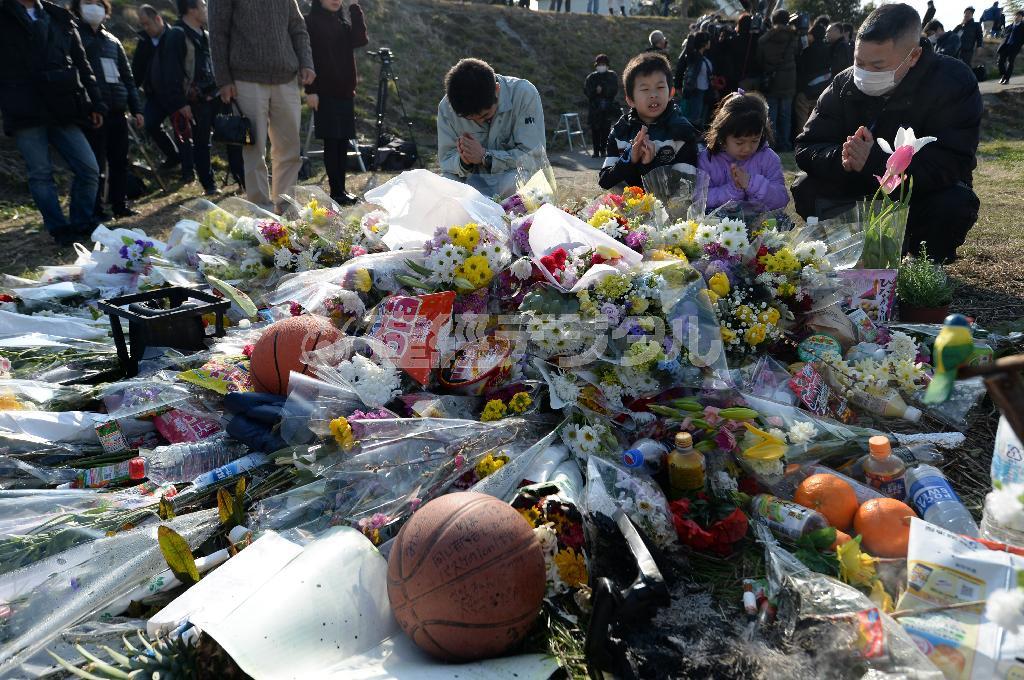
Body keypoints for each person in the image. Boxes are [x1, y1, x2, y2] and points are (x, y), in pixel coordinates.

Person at [792, 3, 982, 263]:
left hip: (915, 194)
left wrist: (878, 164)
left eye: (878, 66)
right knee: (805, 186)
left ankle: (920, 261)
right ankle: (844, 252)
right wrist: (843, 158)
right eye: (859, 62)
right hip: (857, 187)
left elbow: (953, 162)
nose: (865, 74)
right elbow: (807, 146)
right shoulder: (845, 83)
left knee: (955, 202)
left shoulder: (953, 82)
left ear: (913, 56)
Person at [0, 0, 103, 246]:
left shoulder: (59, 17)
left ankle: (82, 221)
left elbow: (81, 62)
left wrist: (96, 102)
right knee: (40, 173)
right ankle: (59, 230)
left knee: (89, 168)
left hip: (63, 106)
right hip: (24, 108)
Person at [210, 0, 315, 211]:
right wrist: (223, 78)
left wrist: (306, 61)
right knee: (253, 149)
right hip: (245, 77)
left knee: (289, 149)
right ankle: (261, 212)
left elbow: (297, 27)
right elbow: (217, 32)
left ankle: (286, 209)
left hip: (286, 76)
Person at [73, 0, 143, 220]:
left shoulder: (113, 41)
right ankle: (95, 210)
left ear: (106, 10)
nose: (94, 7)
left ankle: (120, 205)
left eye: (98, 3)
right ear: (77, 7)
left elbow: (127, 77)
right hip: (93, 113)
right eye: (87, 2)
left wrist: (136, 107)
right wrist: (88, 105)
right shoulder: (74, 37)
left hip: (118, 110)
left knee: (119, 161)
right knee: (95, 164)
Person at [437, 58, 545, 197]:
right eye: (471, 120)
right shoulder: (446, 108)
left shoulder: (523, 94)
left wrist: (485, 157)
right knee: (442, 187)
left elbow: (534, 157)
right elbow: (446, 160)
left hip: (509, 178)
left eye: (485, 115)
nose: (480, 121)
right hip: (471, 182)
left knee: (526, 186)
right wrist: (464, 161)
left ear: (496, 89)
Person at [598, 52, 698, 189]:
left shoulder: (682, 133)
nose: (653, 95)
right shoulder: (620, 132)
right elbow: (605, 182)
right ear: (630, 100)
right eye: (645, 89)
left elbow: (684, 190)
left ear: (671, 93)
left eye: (660, 87)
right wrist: (630, 158)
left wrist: (650, 165)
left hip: (667, 210)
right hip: (625, 209)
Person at [305, 0, 368, 205]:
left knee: (342, 141)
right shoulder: (310, 21)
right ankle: (336, 192)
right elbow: (308, 58)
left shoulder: (342, 23)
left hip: (345, 93)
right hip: (323, 92)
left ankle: (341, 190)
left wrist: (355, 9)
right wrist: (311, 90)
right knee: (331, 142)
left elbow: (360, 40)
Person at [160, 0, 222, 196]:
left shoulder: (206, 35)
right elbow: (171, 72)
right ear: (191, 9)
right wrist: (181, 103)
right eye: (203, 6)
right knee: (202, 142)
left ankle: (241, 177)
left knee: (233, 134)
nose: (206, 10)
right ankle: (209, 184)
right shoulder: (176, 34)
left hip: (216, 94)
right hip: (195, 100)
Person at [698, 91, 787, 212]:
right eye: (739, 143)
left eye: (754, 141)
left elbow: (781, 200)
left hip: (761, 227)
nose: (747, 149)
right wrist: (732, 190)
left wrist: (751, 182)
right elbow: (699, 199)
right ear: (722, 137)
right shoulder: (707, 159)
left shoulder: (768, 158)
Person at [133, 6, 181, 170]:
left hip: (176, 93)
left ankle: (188, 165)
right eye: (142, 25)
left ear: (158, 19)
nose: (145, 28)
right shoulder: (144, 43)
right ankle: (174, 157)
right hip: (155, 95)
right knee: (151, 124)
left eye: (147, 23)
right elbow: (137, 72)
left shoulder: (174, 36)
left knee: (181, 129)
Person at [757, 9, 798, 152]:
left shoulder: (765, 39)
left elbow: (759, 60)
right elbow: (798, 53)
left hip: (772, 81)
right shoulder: (793, 37)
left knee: (771, 114)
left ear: (773, 21)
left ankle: (771, 144)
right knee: (786, 116)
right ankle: (785, 144)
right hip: (789, 81)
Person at [795, 23, 831, 135]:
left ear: (813, 35)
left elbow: (801, 68)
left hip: (806, 90)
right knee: (815, 117)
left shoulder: (807, 51)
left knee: (802, 118)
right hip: (821, 89)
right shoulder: (829, 49)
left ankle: (802, 139)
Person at [584, 54, 619, 159]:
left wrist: (603, 89)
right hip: (594, 107)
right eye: (599, 64)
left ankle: (604, 150)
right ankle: (595, 151)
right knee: (595, 130)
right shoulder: (591, 77)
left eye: (603, 64)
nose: (601, 66)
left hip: (607, 107)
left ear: (607, 65)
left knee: (606, 130)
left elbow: (614, 90)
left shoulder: (612, 75)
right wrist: (595, 91)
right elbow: (587, 91)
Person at [676, 31, 712, 129]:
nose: (710, 43)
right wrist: (692, 35)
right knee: (693, 116)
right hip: (696, 90)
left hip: (703, 90)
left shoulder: (703, 56)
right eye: (708, 41)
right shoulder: (694, 57)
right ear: (704, 43)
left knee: (698, 115)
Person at [998, 10, 1024, 83]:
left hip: (1015, 47)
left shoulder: (1023, 26)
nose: (1016, 17)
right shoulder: (1009, 26)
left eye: (1019, 16)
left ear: (1022, 18)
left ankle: (1007, 79)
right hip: (1005, 46)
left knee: (1010, 61)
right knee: (1000, 61)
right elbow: (1004, 36)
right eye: (1015, 15)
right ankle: (1004, 75)